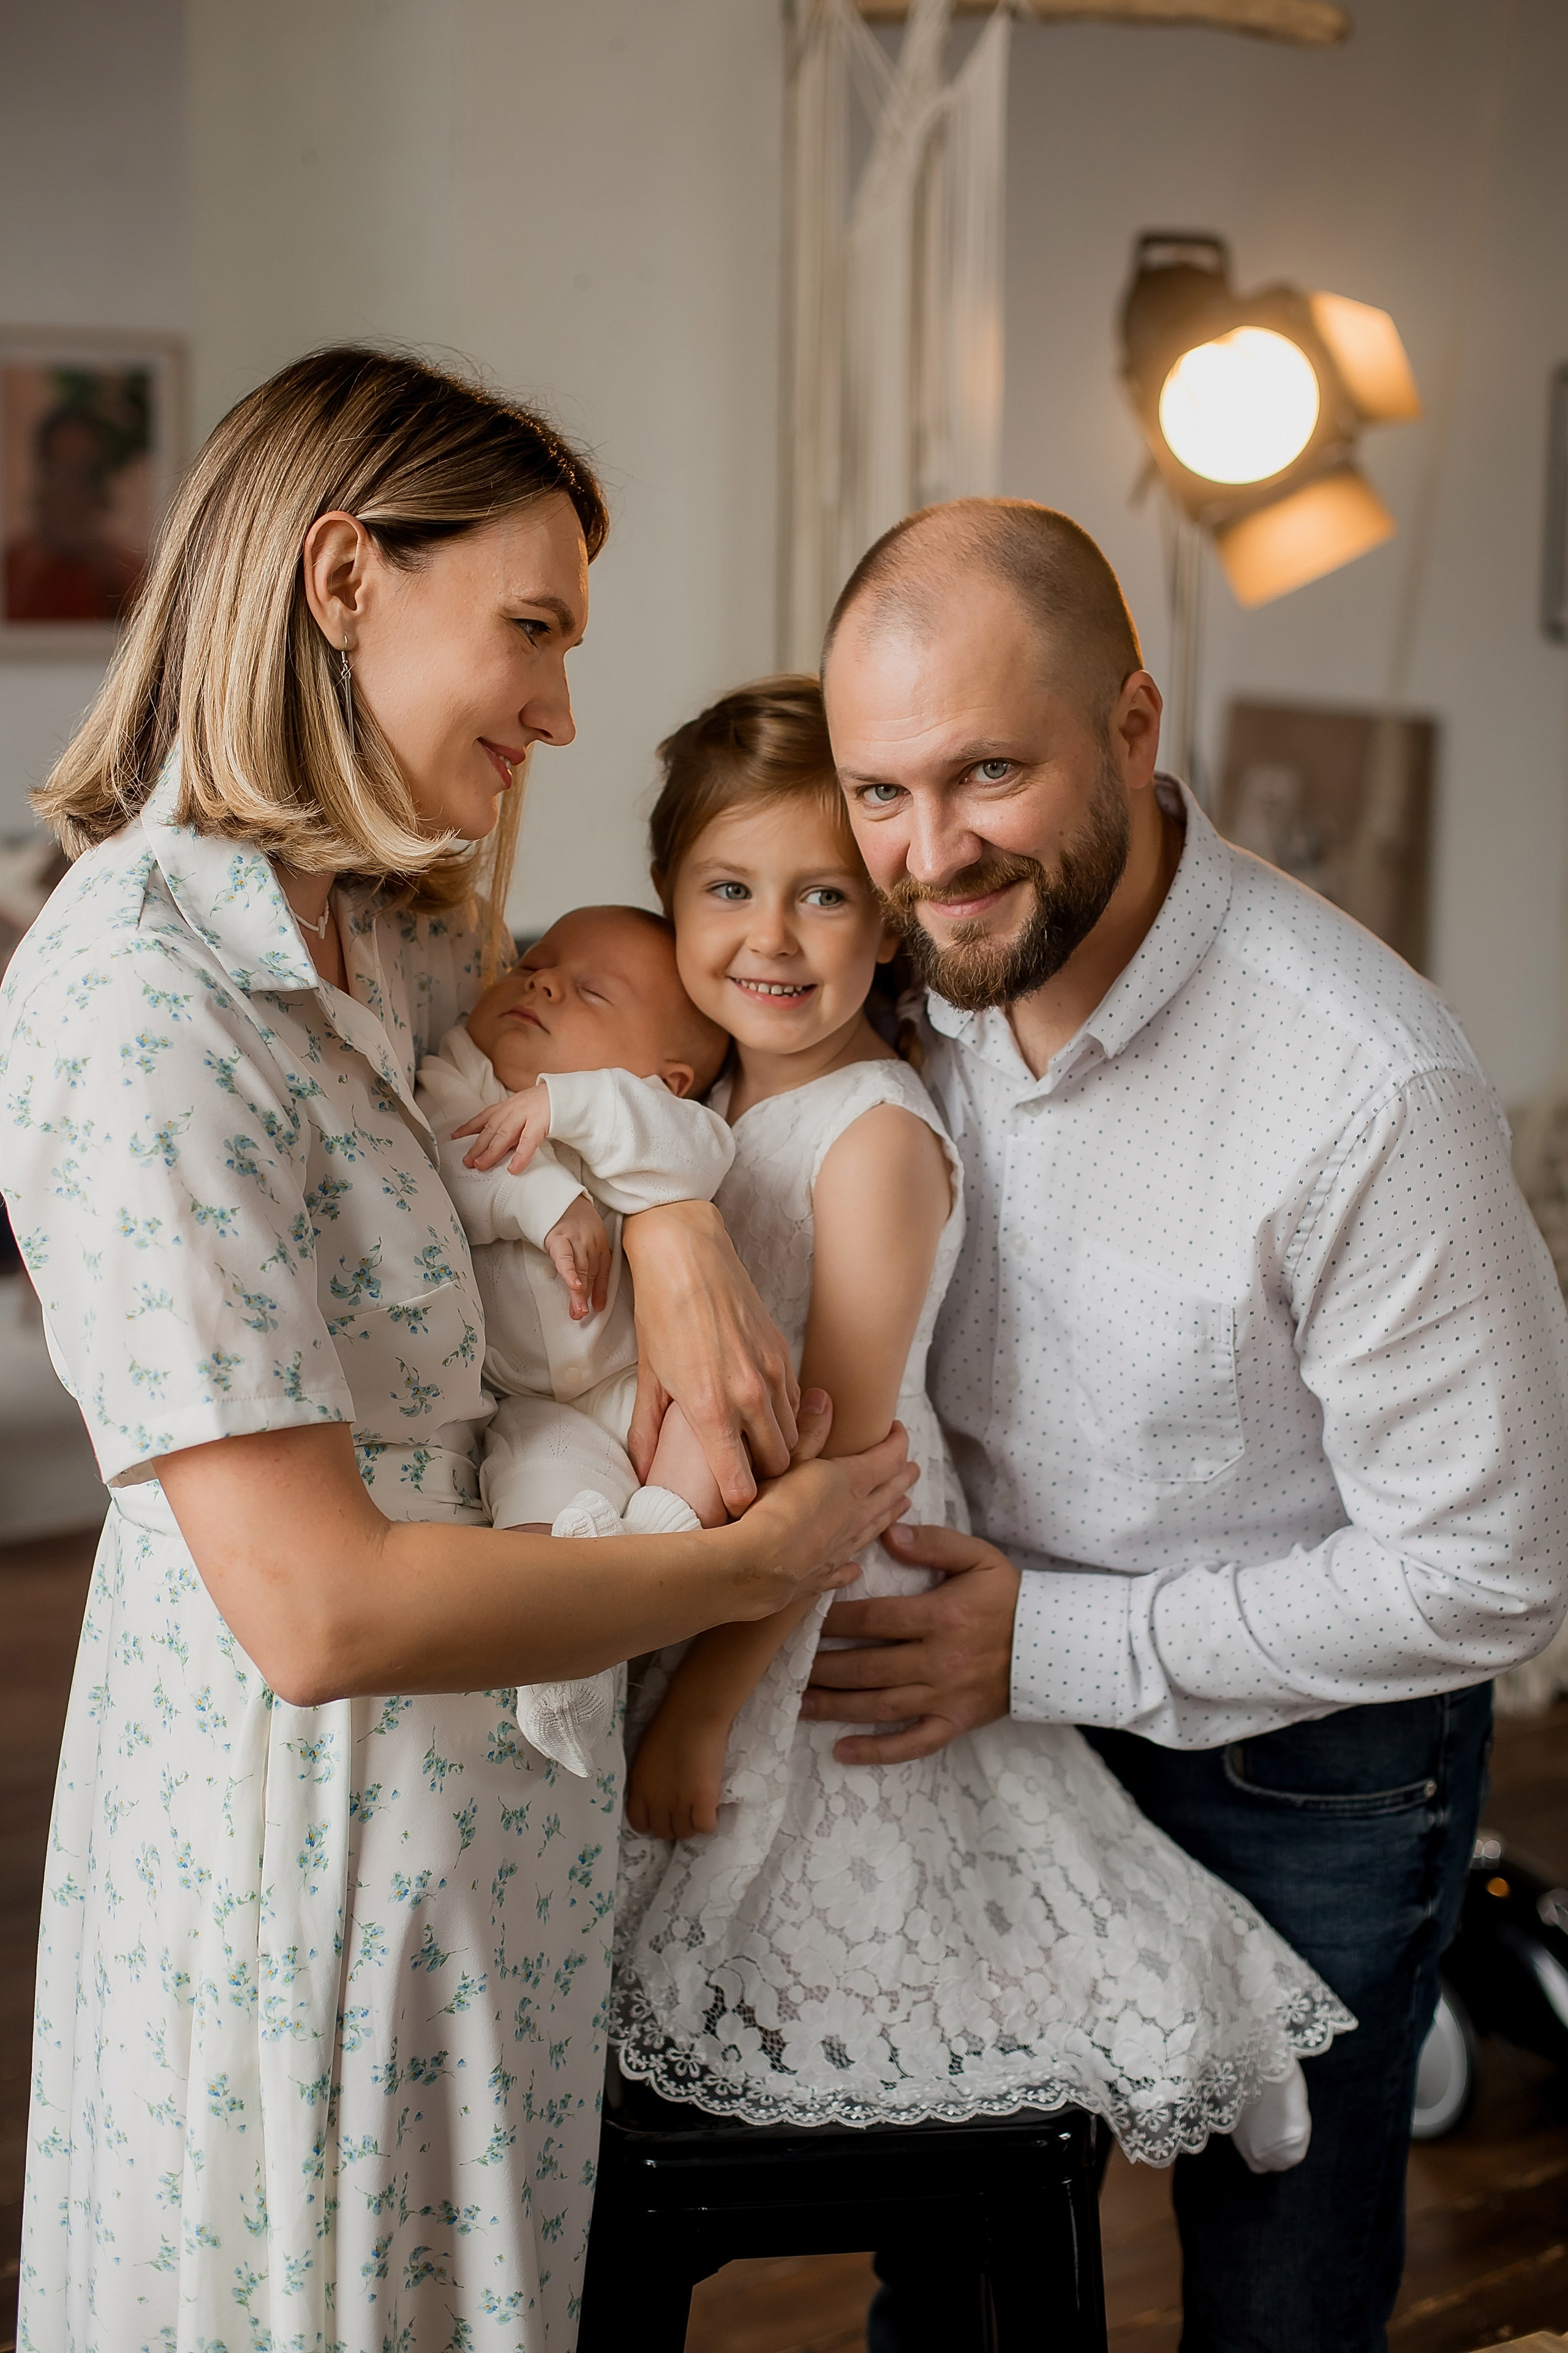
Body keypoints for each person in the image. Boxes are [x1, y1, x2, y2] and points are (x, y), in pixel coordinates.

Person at [0, 349, 914, 2353]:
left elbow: (533, 1142)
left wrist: (667, 1215)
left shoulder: (398, 930)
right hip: (301, 1857)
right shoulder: (142, 997)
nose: (562, 709)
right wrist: (756, 1567)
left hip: (489, 1841)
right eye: (532, 629)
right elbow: (315, 1612)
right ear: (342, 580)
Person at [772, 496, 1568, 2352]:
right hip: (966, 1724)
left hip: (1308, 1760)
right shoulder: (888, 975)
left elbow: (1494, 1569)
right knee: (958, 2271)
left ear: (1136, 727)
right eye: (879, 790)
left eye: (987, 772)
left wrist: (1045, 1641)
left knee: (1279, 2294)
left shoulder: (1370, 1088)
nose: (928, 850)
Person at [582, 677, 1348, 2169]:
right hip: (715, 1558)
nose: (771, 937)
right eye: (727, 889)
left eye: (822, 896)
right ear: (667, 898)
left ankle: (1159, 2022)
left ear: (887, 925)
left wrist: (697, 1705)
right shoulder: (701, 1097)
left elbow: (845, 1470)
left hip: (822, 1589)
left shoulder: (869, 1138)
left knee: (897, 1921)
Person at [417, 902, 734, 1773]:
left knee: (720, 1420)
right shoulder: (459, 1073)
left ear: (666, 1078)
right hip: (531, 1403)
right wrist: (547, 1198)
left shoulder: (647, 1119)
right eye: (535, 963)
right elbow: (447, 1158)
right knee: (528, 1505)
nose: (542, 979)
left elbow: (701, 1154)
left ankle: (654, 1541)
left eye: (589, 989)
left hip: (640, 1381)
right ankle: (572, 1673)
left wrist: (568, 1102)